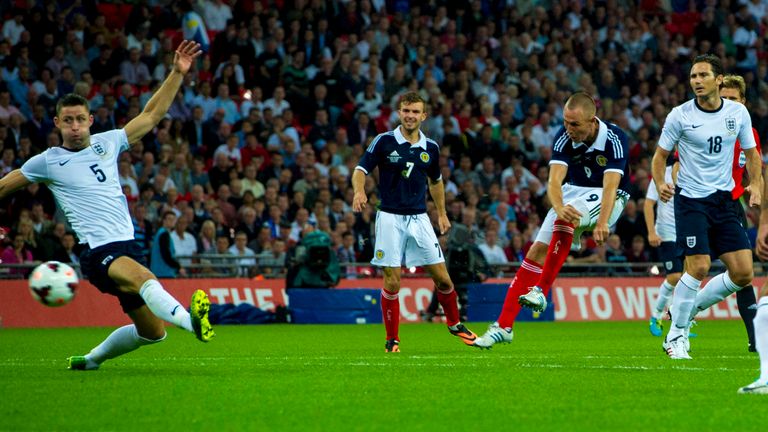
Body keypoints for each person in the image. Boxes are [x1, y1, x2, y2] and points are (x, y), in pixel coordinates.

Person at [0, 40, 214, 371]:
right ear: (57, 123)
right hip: (98, 252)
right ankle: (192, 322)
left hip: (128, 245)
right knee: (144, 278)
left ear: (90, 121)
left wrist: (176, 73)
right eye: (68, 120)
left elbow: (152, 114)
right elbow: (5, 185)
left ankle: (90, 361)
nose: (75, 127)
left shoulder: (108, 142)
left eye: (80, 120)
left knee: (153, 333)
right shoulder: (47, 161)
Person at [474, 91, 630, 349]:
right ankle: (503, 326)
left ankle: (540, 291)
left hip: (608, 195)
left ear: (593, 121)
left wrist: (603, 222)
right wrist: (558, 206)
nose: (568, 129)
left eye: (575, 124)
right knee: (535, 251)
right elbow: (553, 181)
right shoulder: (563, 136)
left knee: (566, 218)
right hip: (572, 192)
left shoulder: (615, 138)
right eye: (566, 122)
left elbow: (611, 185)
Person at [652, 54, 761, 360]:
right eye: (693, 76)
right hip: (691, 200)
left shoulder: (737, 113)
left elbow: (752, 154)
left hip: (724, 201)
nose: (696, 81)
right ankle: (676, 336)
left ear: (718, 80)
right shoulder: (680, 115)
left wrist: (757, 186)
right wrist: (661, 182)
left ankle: (688, 307)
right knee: (698, 266)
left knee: (743, 273)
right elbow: (660, 156)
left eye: (702, 75)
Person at [352, 91, 478, 352]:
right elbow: (360, 169)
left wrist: (441, 213)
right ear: (399, 113)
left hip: (420, 218)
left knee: (443, 279)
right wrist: (359, 190)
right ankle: (392, 339)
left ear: (424, 115)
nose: (410, 116)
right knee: (392, 281)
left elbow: (436, 182)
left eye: (415, 112)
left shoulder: (430, 147)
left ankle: (454, 324)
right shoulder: (384, 142)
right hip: (389, 218)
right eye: (406, 111)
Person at [720, 74, 761, 353]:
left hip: (732, 207)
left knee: (742, 272)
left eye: (734, 99)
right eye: (724, 99)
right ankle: (679, 330)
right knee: (692, 270)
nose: (729, 104)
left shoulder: (749, 133)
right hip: (697, 203)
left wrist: (755, 187)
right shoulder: (703, 123)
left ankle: (754, 338)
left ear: (743, 102)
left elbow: (756, 168)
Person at [644, 154, 682, 337]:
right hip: (667, 233)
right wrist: (652, 231)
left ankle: (681, 323)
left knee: (688, 278)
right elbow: (648, 204)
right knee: (675, 276)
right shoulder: (662, 175)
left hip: (687, 231)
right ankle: (656, 316)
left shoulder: (694, 173)